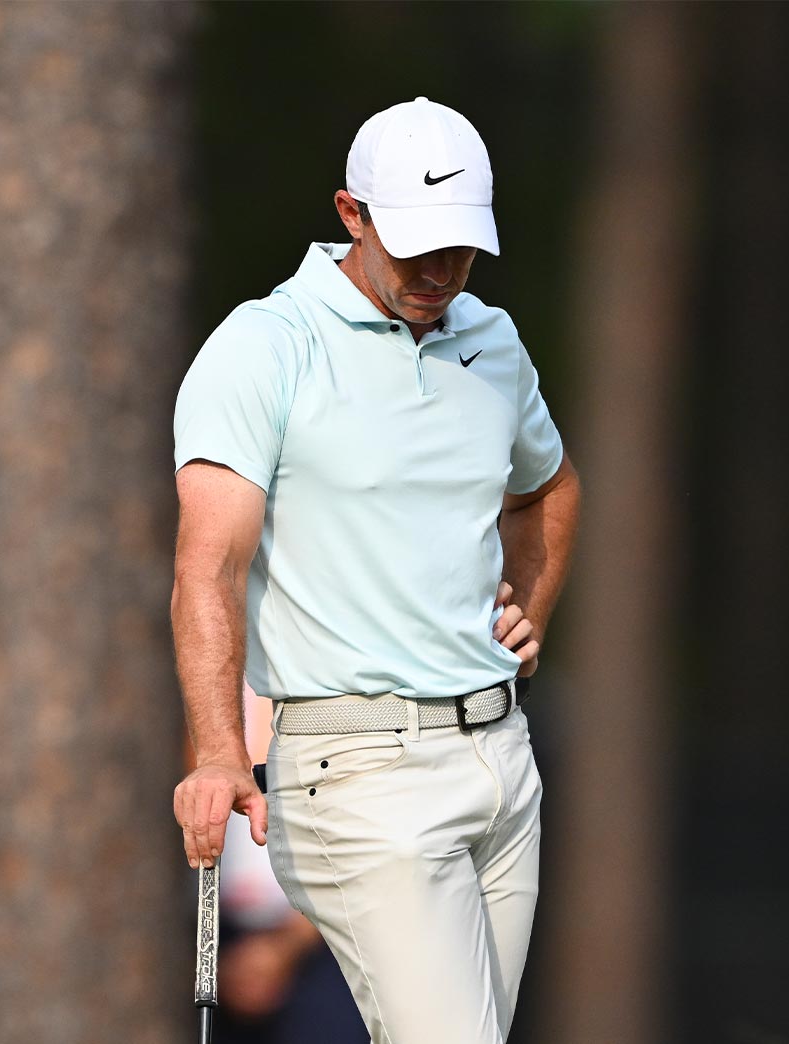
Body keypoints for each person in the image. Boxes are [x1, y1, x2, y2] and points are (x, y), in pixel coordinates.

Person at [170, 98, 581, 1043]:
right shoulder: (264, 348)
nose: (442, 273)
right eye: (419, 246)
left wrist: (535, 613)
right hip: (355, 774)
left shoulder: (492, 342)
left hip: (502, 762)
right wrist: (218, 750)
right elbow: (208, 568)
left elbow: (550, 489)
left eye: (461, 249)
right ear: (353, 215)